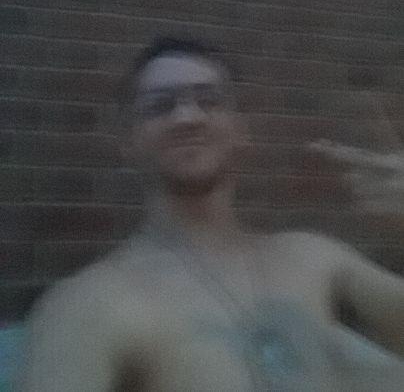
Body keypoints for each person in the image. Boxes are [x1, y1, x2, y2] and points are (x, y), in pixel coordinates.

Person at [19, 38, 404, 391]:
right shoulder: (90, 304)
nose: (188, 117)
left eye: (209, 100)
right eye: (160, 105)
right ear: (128, 142)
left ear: (240, 130)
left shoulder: (313, 257)